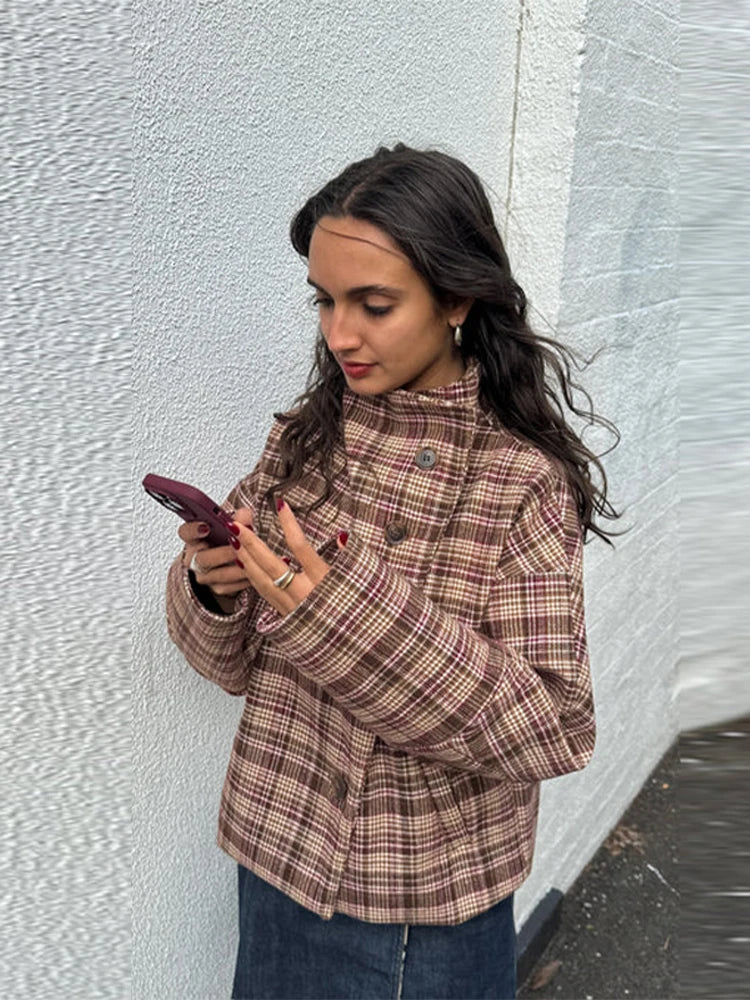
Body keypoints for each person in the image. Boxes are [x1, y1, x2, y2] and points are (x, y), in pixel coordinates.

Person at [165, 143, 619, 1000]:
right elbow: (227, 668)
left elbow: (555, 727)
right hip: (272, 853)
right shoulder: (306, 435)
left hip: (419, 904)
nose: (340, 335)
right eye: (325, 301)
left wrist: (334, 615)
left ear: (457, 296)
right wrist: (211, 589)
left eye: (373, 304)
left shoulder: (519, 480)